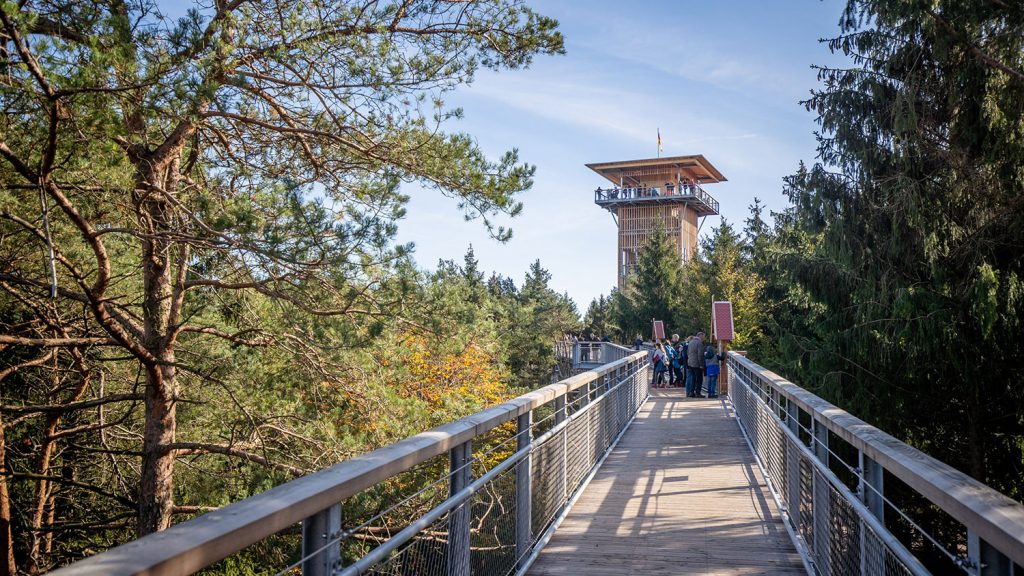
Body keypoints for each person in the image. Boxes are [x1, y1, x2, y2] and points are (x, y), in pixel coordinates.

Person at [686, 331, 705, 397]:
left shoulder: (690, 342)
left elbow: (688, 353)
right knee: (699, 379)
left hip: (690, 363)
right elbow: (700, 355)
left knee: (693, 379)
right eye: (703, 336)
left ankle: (691, 392)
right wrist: (701, 365)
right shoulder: (699, 343)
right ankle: (698, 393)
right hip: (697, 364)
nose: (704, 338)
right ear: (700, 336)